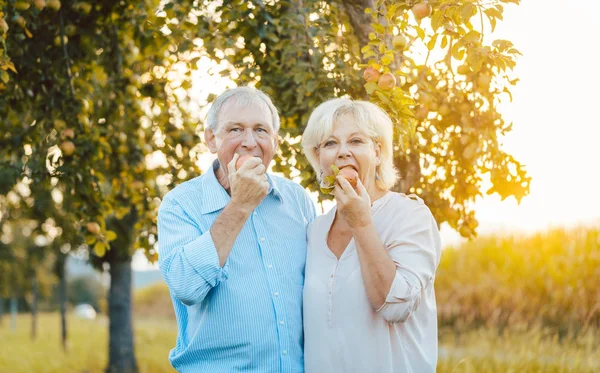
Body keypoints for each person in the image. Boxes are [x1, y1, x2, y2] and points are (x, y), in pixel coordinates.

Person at [157, 86, 316, 373]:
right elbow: (185, 286)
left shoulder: (298, 200)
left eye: (261, 130)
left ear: (275, 142)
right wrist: (240, 204)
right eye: (235, 130)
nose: (249, 142)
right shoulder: (180, 205)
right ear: (210, 139)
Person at [301, 98, 442, 373]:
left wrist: (361, 222)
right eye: (330, 144)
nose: (342, 152)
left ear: (377, 152)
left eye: (356, 141)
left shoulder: (410, 216)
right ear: (319, 158)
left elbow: (396, 306)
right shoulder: (314, 230)